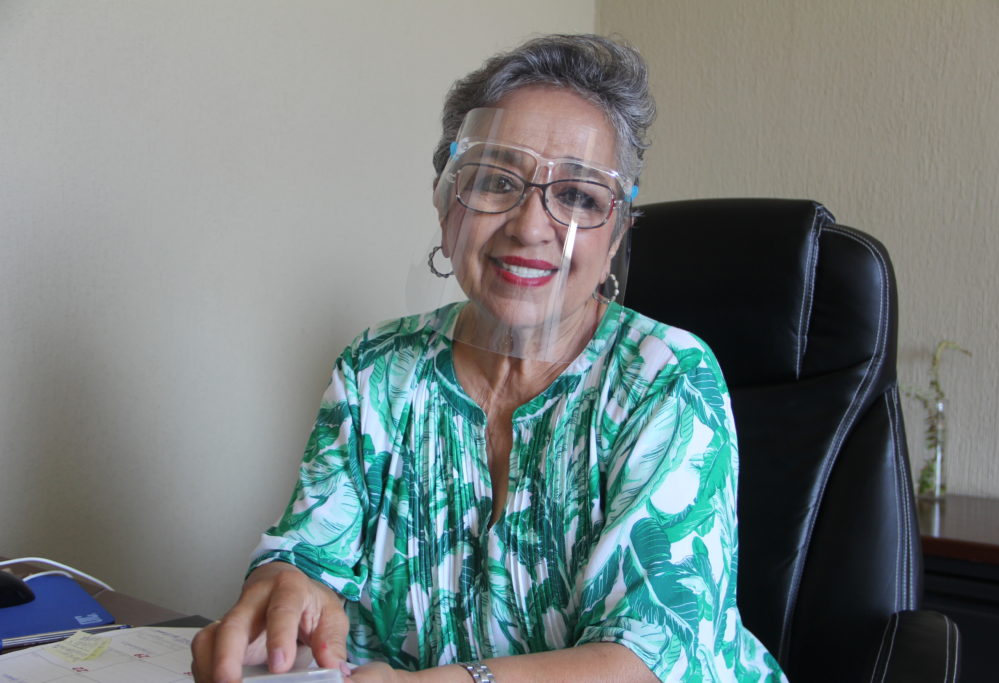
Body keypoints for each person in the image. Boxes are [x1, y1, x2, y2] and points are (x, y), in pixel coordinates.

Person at [191, 34, 787, 683]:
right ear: (446, 200)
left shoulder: (664, 379)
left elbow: (649, 657)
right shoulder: (375, 370)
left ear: (616, 234)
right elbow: (310, 560)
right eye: (497, 181)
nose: (530, 226)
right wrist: (284, 592)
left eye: (579, 197)